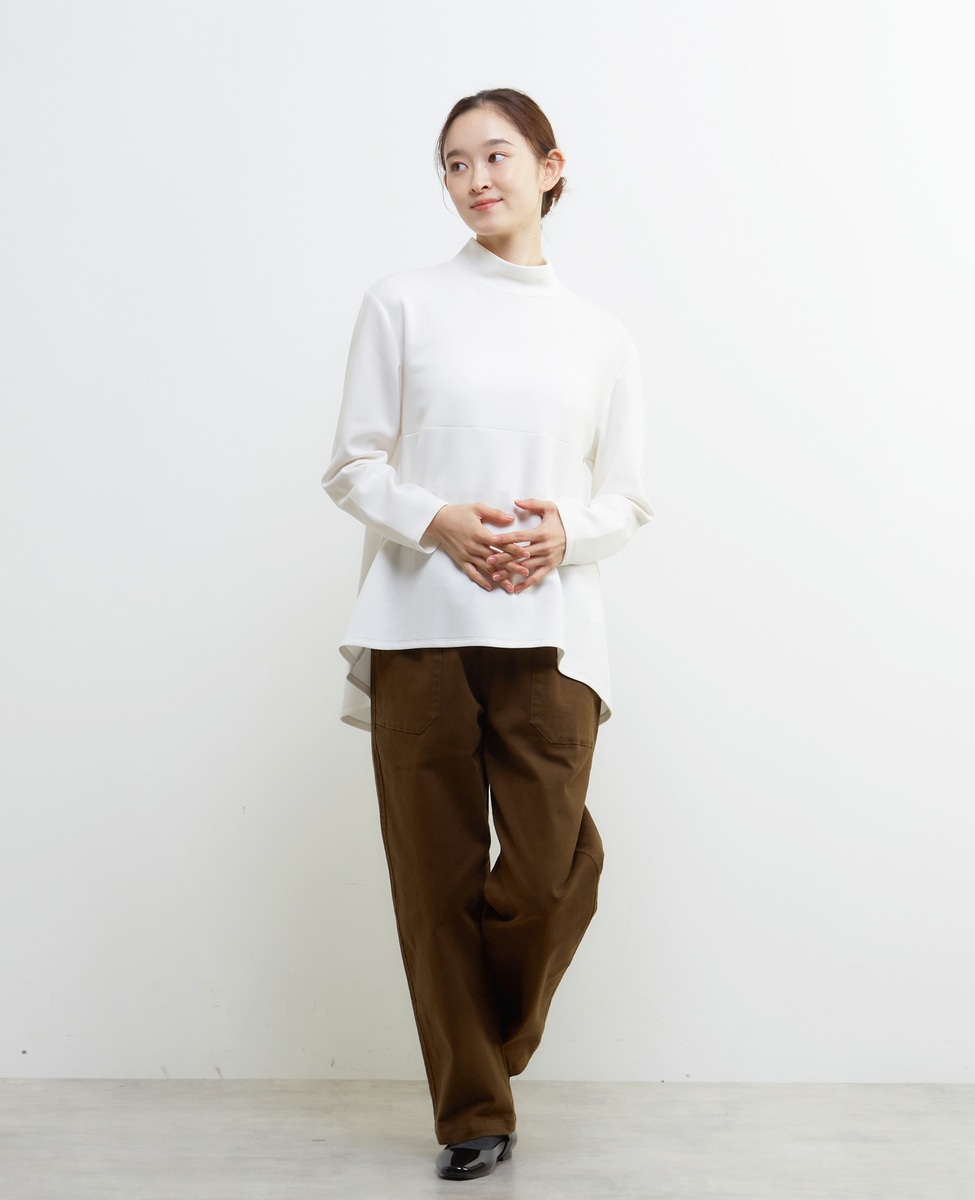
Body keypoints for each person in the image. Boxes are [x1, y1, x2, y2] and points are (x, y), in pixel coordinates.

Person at [322, 87, 652, 1181]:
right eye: (455, 164)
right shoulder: (403, 303)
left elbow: (628, 498)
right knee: (434, 876)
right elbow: (352, 464)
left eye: (497, 155)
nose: (476, 179)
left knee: (551, 869)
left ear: (551, 167)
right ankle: (473, 1113)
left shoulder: (601, 335)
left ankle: (482, 1046)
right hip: (418, 620)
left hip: (552, 628)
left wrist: (565, 534)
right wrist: (439, 522)